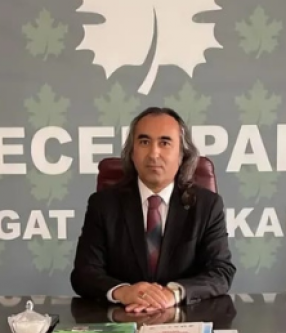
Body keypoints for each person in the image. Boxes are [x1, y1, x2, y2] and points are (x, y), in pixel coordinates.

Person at [70, 107, 236, 313]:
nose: (153, 153)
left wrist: (173, 293)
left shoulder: (207, 206)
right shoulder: (103, 205)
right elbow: (84, 274)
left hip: (185, 320)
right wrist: (123, 291)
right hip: (124, 318)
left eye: (164, 143)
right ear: (132, 152)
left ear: (182, 155)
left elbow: (221, 271)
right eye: (144, 142)